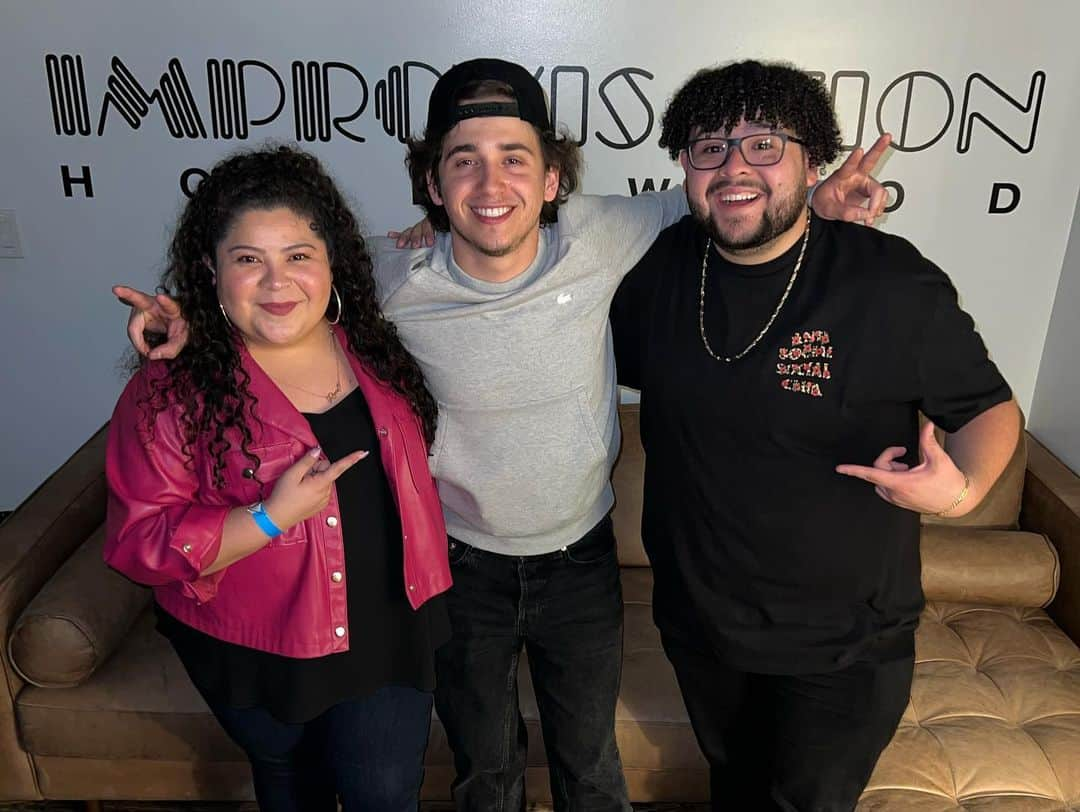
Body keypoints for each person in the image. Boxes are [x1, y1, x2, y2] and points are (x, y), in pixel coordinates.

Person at [114, 59, 889, 810]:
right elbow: (276, 283)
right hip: (458, 565)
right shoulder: (384, 280)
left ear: (553, 180)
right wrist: (189, 321)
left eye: (515, 159)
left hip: (580, 560)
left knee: (589, 762)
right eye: (464, 162)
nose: (492, 186)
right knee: (485, 769)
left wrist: (815, 202)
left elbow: (729, 201)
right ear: (432, 184)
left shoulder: (602, 232)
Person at [609, 60, 1021, 811]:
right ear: (683, 167)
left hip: (843, 648)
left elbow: (992, 410)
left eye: (765, 145)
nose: (734, 167)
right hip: (701, 626)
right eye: (710, 147)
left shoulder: (888, 283)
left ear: (812, 159)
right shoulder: (657, 270)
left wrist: (960, 494)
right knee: (733, 790)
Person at [104, 145, 452, 812]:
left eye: (297, 255)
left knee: (384, 794)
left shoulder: (376, 349)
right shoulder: (169, 391)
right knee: (292, 785)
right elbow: (139, 542)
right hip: (254, 644)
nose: (276, 281)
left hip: (388, 625)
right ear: (211, 270)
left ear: (331, 263)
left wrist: (441, 226)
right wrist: (267, 517)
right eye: (247, 260)